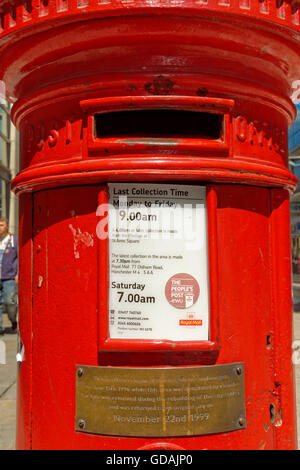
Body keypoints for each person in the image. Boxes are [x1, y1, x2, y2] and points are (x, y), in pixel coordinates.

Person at [0, 217, 18, 335]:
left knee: (9, 302)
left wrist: (18, 274)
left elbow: (21, 257)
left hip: (9, 277)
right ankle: (0, 328)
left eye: (1, 225)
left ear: (7, 226)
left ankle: (13, 320)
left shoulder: (13, 240)